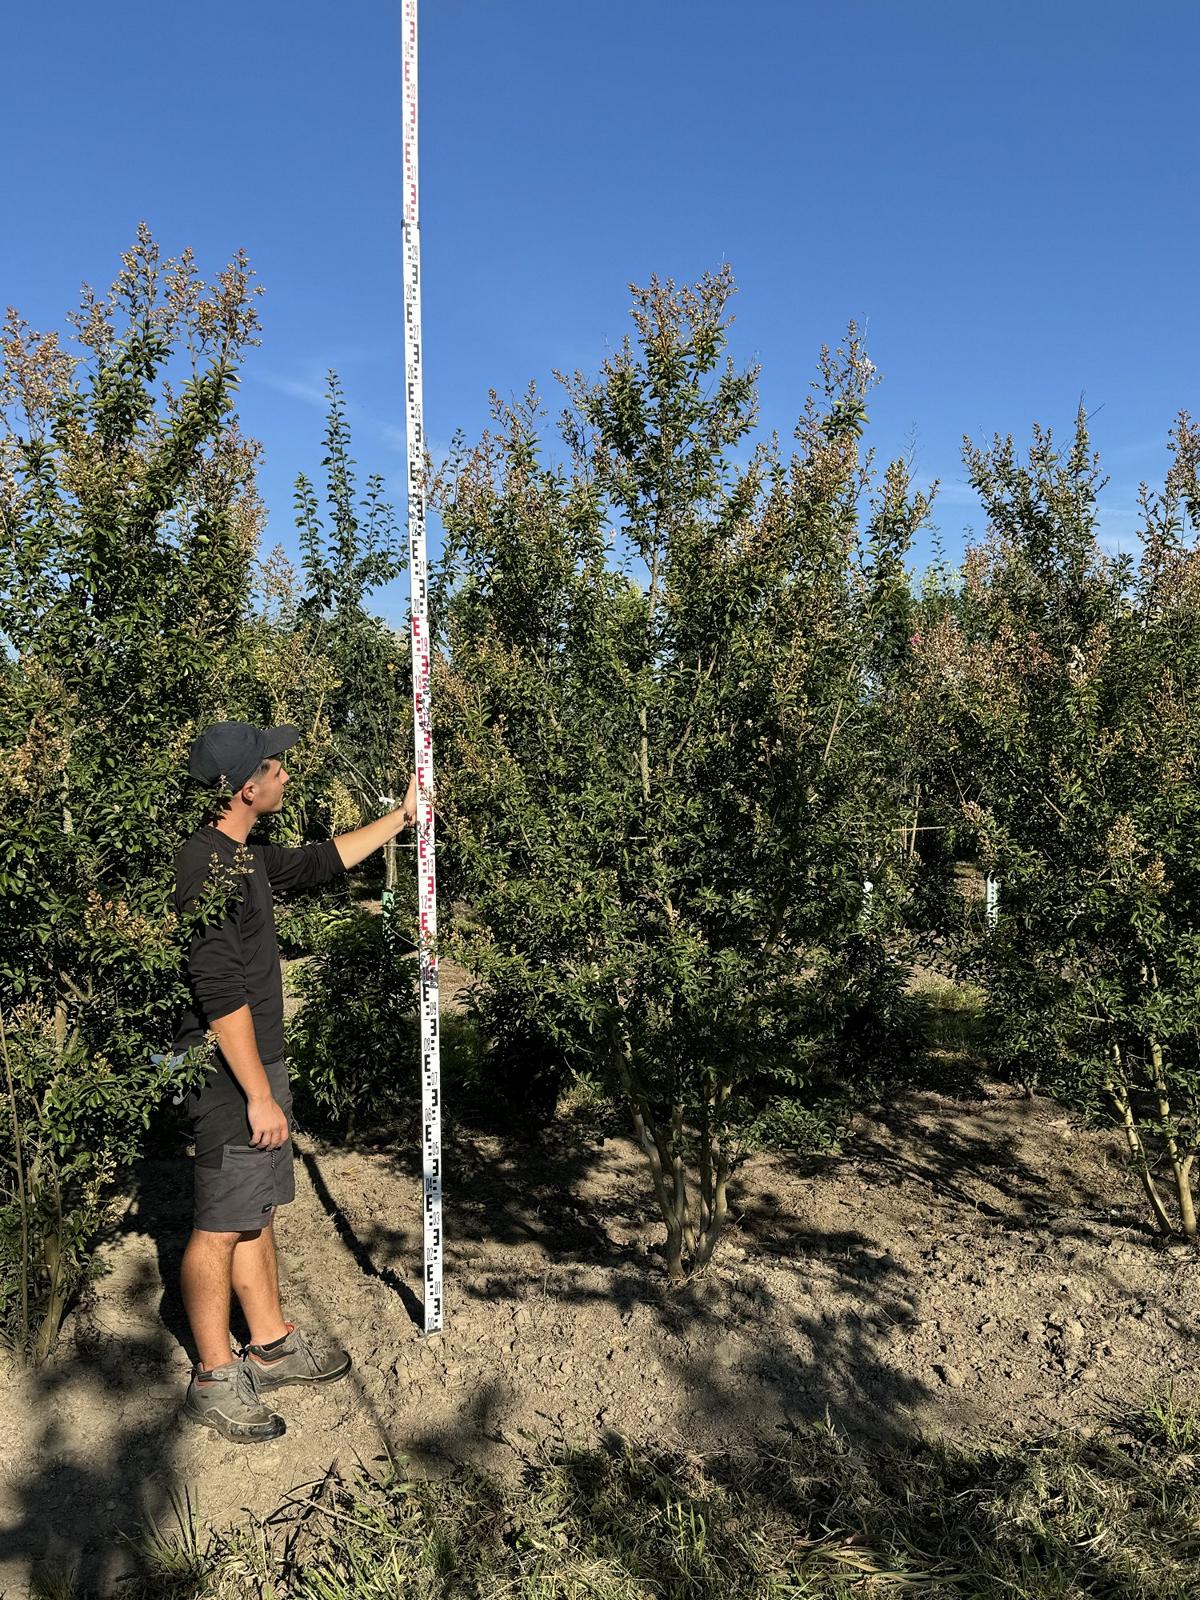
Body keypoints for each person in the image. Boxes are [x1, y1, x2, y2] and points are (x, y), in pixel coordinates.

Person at [172, 720, 417, 1443]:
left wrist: (403, 817)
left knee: (255, 1211)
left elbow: (318, 863)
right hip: (225, 1073)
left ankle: (271, 1342)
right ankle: (214, 1376)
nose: (285, 774)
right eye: (274, 766)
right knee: (219, 1223)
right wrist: (255, 1092)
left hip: (256, 1064)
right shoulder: (204, 866)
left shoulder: (241, 855)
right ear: (245, 787)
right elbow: (217, 991)